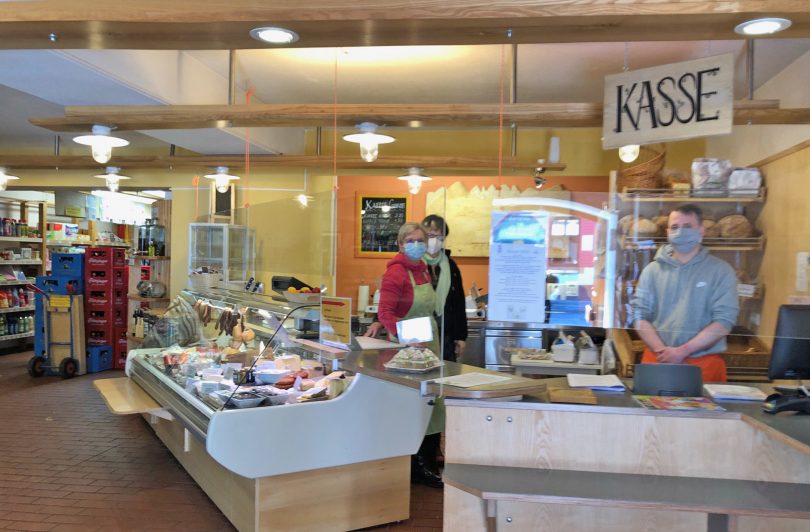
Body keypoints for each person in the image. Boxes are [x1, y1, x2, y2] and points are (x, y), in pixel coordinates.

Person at [363, 222, 443, 488]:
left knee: (432, 402)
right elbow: (385, 312)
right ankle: (416, 466)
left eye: (420, 240)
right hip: (407, 347)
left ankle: (428, 462)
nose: (416, 245)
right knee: (413, 405)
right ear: (400, 244)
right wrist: (408, 339)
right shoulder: (395, 273)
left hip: (430, 343)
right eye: (410, 240)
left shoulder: (425, 270)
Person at [631, 204, 739, 382]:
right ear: (667, 232)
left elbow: (723, 321)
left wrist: (682, 351)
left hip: (704, 365)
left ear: (701, 230)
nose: (680, 232)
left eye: (688, 226)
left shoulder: (721, 271)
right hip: (658, 360)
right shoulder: (652, 271)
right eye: (675, 227)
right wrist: (663, 352)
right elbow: (640, 316)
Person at [421, 214, 467, 363]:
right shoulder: (413, 262)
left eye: (440, 237)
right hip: (420, 332)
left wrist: (460, 336)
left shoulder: (450, 266)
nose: (435, 241)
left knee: (446, 372)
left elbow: (459, 302)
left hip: (445, 335)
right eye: (430, 236)